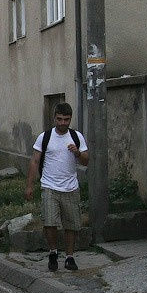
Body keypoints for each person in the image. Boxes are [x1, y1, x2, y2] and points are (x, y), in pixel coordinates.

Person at [25, 102, 89, 272]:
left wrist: (77, 153)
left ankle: (69, 257)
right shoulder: (44, 137)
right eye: (59, 119)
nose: (62, 123)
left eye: (66, 120)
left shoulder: (77, 137)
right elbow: (35, 161)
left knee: (71, 225)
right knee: (50, 223)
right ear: (54, 118)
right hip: (49, 186)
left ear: (70, 119)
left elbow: (86, 160)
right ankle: (53, 252)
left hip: (71, 187)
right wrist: (29, 185)